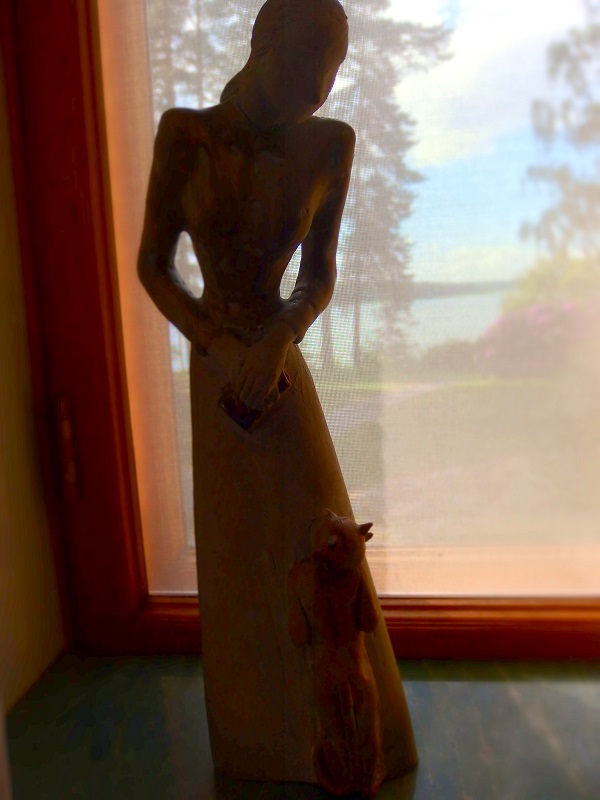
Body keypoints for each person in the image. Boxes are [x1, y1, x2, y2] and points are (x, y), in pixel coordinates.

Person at [138, 0, 417, 786]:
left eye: (332, 71)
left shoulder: (330, 144)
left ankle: (353, 746)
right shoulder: (185, 136)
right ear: (264, 41)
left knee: (322, 538)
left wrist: (277, 337)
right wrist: (225, 347)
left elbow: (318, 275)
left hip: (279, 364)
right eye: (306, 65)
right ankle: (259, 744)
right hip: (220, 367)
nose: (320, 88)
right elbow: (154, 267)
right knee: (239, 562)